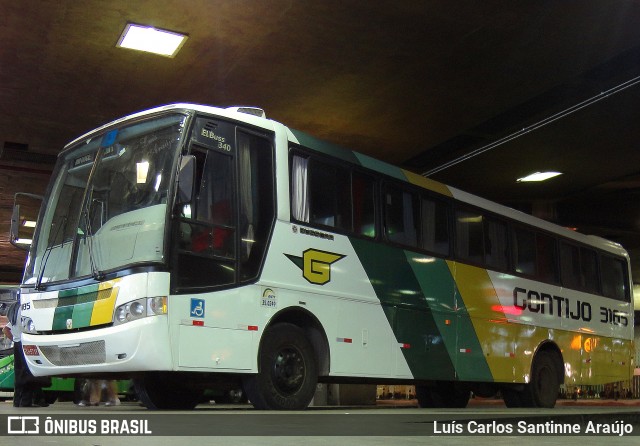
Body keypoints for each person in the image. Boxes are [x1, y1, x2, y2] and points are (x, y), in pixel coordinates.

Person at [2, 301, 50, 407]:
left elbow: (5, 329)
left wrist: (14, 339)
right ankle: (25, 402)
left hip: (17, 344)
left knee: (19, 374)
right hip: (27, 343)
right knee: (28, 373)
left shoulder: (14, 312)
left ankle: (17, 401)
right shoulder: (25, 311)